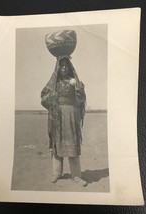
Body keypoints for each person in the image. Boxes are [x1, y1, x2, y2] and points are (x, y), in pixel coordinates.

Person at [41, 56, 87, 187]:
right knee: (57, 145)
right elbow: (43, 98)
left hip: (71, 116)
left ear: (70, 67)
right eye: (62, 66)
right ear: (58, 68)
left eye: (66, 66)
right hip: (57, 117)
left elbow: (81, 100)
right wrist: (51, 97)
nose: (64, 68)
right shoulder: (53, 83)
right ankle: (56, 173)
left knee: (72, 144)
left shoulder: (75, 82)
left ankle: (77, 176)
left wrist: (79, 89)